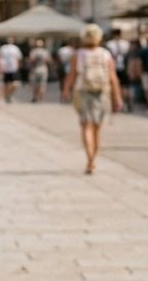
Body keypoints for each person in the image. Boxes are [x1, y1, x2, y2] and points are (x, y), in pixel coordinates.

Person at [62, 23, 121, 174]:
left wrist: (66, 90)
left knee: (86, 126)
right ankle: (94, 158)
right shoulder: (105, 54)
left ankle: (90, 160)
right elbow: (113, 77)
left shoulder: (79, 54)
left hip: (83, 92)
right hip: (102, 92)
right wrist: (117, 97)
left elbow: (72, 75)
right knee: (97, 128)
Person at [104, 29, 132, 112]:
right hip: (124, 66)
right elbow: (129, 55)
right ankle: (128, 104)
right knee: (125, 87)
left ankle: (115, 105)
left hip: (114, 67)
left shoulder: (110, 43)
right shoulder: (126, 43)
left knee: (113, 85)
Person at [0, 36, 23, 102]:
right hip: (5, 68)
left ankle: (8, 95)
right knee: (6, 83)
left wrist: (19, 67)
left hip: (13, 68)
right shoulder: (3, 48)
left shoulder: (15, 48)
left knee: (14, 83)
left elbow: (19, 59)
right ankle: (7, 96)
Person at [28, 39, 51, 103]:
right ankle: (42, 98)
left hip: (35, 69)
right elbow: (49, 60)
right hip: (43, 69)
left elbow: (31, 60)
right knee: (42, 84)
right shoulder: (45, 51)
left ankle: (35, 97)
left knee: (35, 84)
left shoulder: (33, 51)